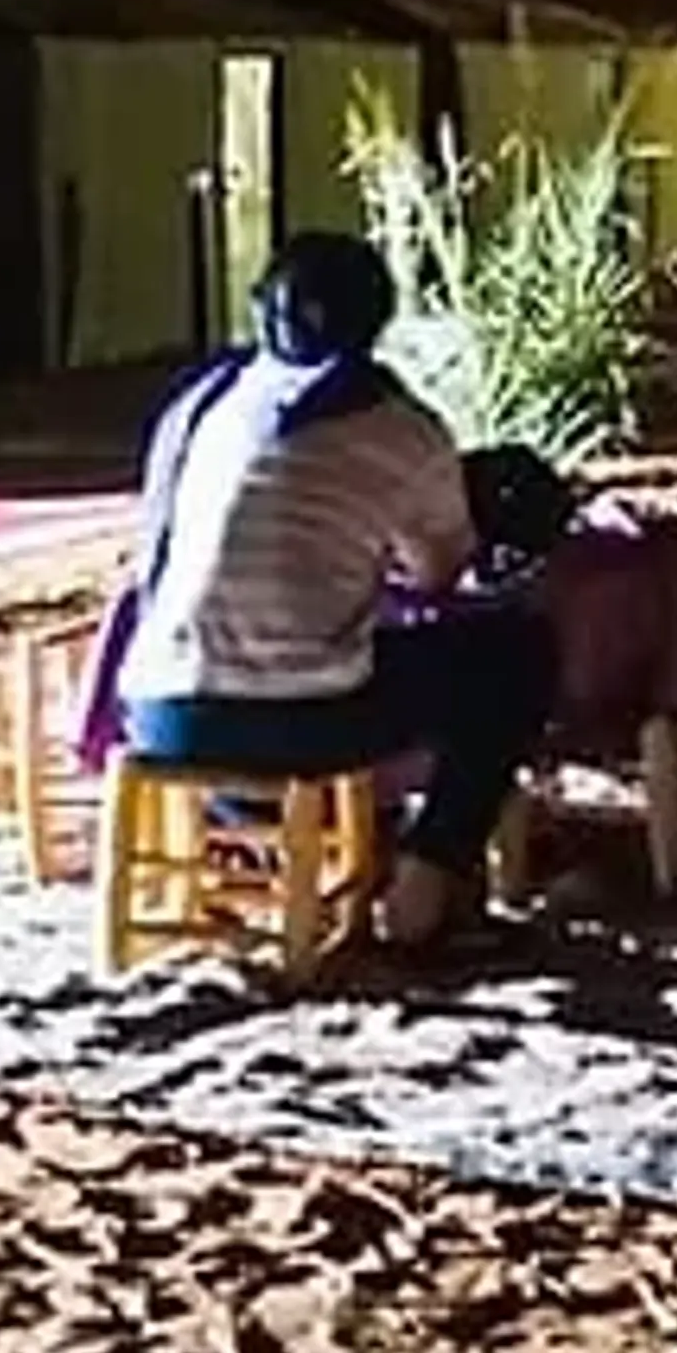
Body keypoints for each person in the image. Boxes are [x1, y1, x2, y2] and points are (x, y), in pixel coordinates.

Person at [114, 228, 554, 950]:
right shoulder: (398, 428)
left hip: (158, 708)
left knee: (334, 650)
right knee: (515, 658)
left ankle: (304, 853)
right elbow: (437, 575)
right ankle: (425, 885)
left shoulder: (206, 404)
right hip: (294, 724)